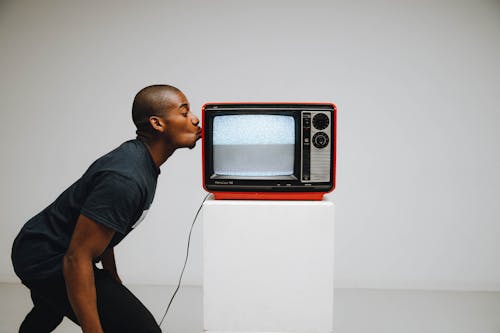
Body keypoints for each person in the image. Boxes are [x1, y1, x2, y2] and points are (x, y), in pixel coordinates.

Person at [11, 84, 201, 333]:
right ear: (157, 124)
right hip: (45, 257)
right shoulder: (126, 178)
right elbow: (76, 257)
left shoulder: (139, 162)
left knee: (51, 308)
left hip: (50, 247)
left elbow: (102, 227)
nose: (195, 118)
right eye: (184, 112)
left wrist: (112, 278)